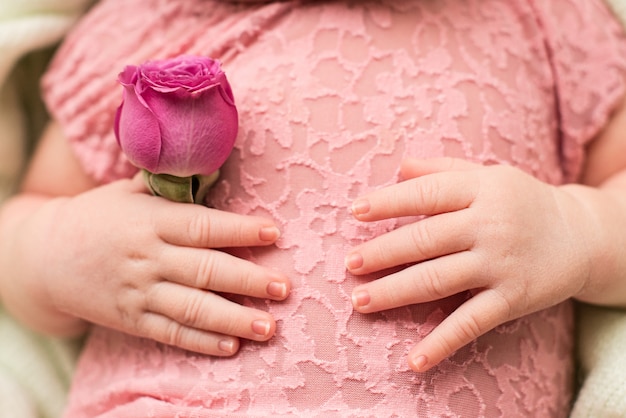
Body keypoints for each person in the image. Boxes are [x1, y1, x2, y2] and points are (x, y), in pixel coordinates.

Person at [1, 0, 626, 415]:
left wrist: (574, 229)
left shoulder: (545, 15)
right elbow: (22, 224)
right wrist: (62, 248)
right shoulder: (141, 17)